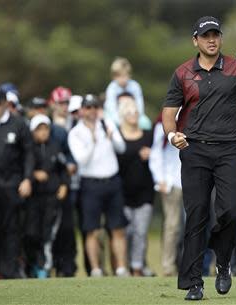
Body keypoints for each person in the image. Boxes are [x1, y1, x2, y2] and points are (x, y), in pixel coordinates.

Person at [162, 16, 236, 300]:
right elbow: (170, 113)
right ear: (196, 40)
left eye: (215, 34)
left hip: (230, 148)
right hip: (194, 150)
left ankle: (223, 262)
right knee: (196, 216)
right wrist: (173, 136)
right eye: (205, 35)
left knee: (232, 212)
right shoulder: (182, 73)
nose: (211, 39)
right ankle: (194, 283)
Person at [68, 94, 128, 277]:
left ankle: (121, 268)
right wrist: (93, 140)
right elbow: (81, 160)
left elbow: (122, 148)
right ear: (81, 111)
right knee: (91, 229)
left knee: (117, 227)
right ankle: (95, 269)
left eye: (94, 107)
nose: (92, 111)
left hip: (112, 181)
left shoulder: (107, 124)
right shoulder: (75, 133)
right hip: (90, 184)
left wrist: (112, 137)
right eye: (88, 108)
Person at [0, 88, 34, 279]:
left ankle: (9, 272)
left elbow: (28, 154)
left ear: (6, 104)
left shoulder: (18, 124)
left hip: (11, 184)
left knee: (11, 229)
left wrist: (27, 179)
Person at [25, 114, 69, 278]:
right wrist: (34, 174)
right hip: (34, 198)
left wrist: (64, 185)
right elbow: (23, 168)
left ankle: (45, 267)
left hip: (52, 197)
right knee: (31, 233)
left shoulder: (55, 146)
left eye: (46, 129)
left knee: (48, 233)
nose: (43, 132)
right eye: (39, 129)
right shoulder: (28, 148)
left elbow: (63, 169)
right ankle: (33, 265)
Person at [116, 93, 155, 276]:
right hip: (122, 192)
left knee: (141, 231)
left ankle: (137, 266)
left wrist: (151, 154)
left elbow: (158, 160)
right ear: (123, 114)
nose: (133, 114)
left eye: (135, 111)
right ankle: (124, 266)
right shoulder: (117, 138)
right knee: (127, 232)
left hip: (145, 191)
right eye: (129, 112)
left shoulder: (148, 135)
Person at [149, 114, 184, 277]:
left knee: (195, 225)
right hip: (172, 182)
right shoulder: (164, 120)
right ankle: (168, 266)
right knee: (172, 226)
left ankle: (191, 265)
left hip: (193, 180)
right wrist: (160, 178)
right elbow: (156, 152)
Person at [103, 57, 151, 129]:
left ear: (129, 75)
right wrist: (121, 121)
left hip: (132, 113)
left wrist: (135, 117)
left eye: (124, 75)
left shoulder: (135, 86)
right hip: (116, 115)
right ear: (114, 76)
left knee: (145, 123)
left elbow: (139, 105)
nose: (122, 79)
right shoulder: (111, 88)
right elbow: (111, 108)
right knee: (111, 125)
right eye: (119, 76)